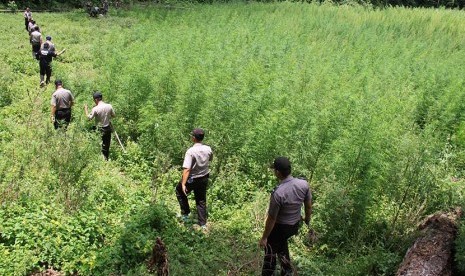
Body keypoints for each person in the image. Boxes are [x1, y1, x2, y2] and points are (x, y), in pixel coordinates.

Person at [259, 157, 312, 276]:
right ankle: (287, 270)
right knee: (282, 243)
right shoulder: (303, 184)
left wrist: (264, 237)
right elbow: (308, 206)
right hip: (293, 226)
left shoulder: (278, 193)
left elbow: (272, 219)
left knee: (270, 252)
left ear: (277, 172)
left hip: (280, 228)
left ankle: (268, 273)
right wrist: (307, 219)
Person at [175, 128, 213, 229]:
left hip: (192, 178)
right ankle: (202, 223)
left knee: (180, 191)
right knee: (201, 199)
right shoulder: (208, 149)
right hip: (204, 177)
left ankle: (185, 214)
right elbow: (210, 159)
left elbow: (187, 169)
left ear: (193, 138)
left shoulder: (190, 151)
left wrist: (183, 183)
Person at [84, 92, 116, 160]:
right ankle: (106, 159)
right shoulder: (109, 106)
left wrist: (86, 109)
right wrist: (106, 116)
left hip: (99, 129)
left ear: (96, 100)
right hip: (107, 128)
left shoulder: (95, 108)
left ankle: (99, 159)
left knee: (98, 144)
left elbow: (88, 118)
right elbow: (113, 115)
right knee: (106, 145)